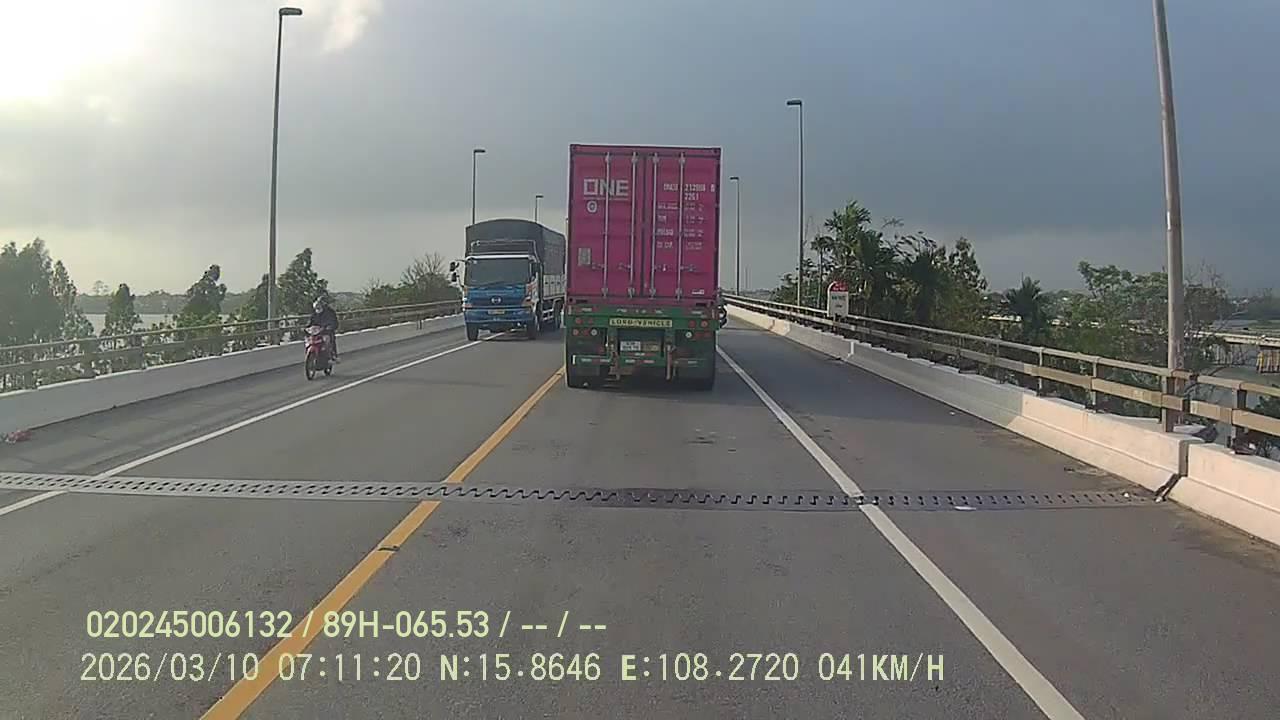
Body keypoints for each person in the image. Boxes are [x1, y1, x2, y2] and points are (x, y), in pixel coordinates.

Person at [308, 295, 340, 362]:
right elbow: (310, 322)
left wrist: (330, 327)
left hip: (326, 331)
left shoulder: (330, 312)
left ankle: (332, 355)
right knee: (309, 339)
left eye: (322, 302)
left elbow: (334, 322)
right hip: (317, 332)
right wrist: (307, 328)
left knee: (329, 339)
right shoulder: (314, 313)